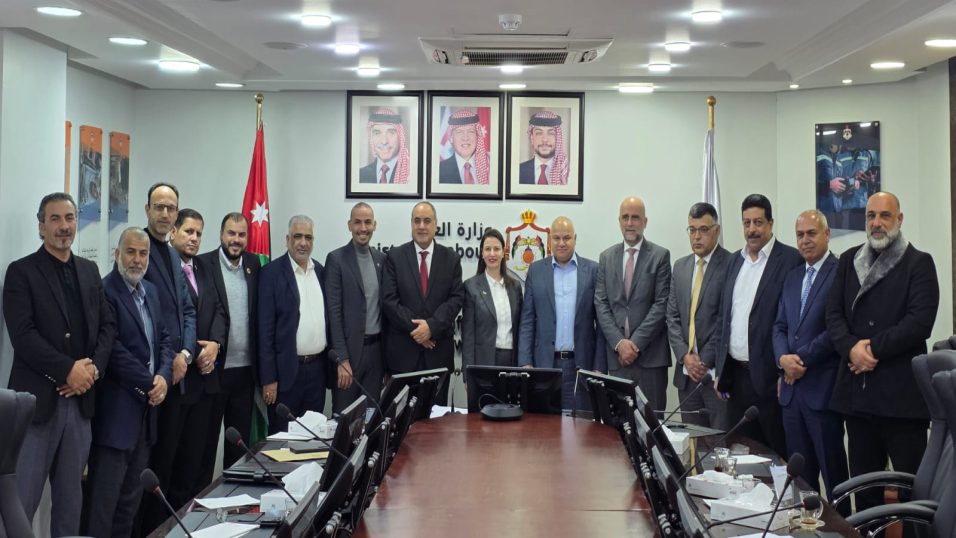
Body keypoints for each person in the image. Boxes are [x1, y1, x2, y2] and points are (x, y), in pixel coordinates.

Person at [3, 192, 115, 537]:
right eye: (55, 219)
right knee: (20, 504)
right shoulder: (21, 272)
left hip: (80, 405)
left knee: (70, 505)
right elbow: (23, 336)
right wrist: (68, 370)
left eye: (69, 218)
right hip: (38, 406)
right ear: (41, 226)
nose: (64, 226)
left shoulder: (89, 270)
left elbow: (108, 327)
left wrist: (92, 370)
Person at [826, 192, 939, 511]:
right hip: (858, 399)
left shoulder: (919, 263)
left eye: (885, 216)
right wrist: (851, 349)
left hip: (902, 401)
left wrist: (871, 349)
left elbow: (919, 322)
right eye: (871, 216)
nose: (877, 223)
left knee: (913, 497)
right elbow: (832, 315)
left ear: (899, 219)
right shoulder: (848, 260)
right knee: (865, 495)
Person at [86, 227, 174, 538]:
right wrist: (151, 382)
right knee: (102, 507)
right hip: (116, 417)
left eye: (143, 253)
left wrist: (164, 376)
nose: (137, 260)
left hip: (145, 417)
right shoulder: (106, 290)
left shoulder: (151, 291)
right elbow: (113, 350)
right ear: (117, 254)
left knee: (128, 506)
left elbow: (165, 339)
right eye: (131, 252)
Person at [705, 194, 802, 456]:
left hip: (771, 380)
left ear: (771, 223)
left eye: (758, 222)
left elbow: (793, 322)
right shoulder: (734, 261)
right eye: (746, 223)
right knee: (741, 455)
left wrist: (783, 373)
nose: (752, 229)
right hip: (736, 379)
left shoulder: (790, 260)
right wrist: (720, 369)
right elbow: (724, 318)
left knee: (777, 456)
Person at [772, 210, 848, 502]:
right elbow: (779, 326)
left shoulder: (840, 272)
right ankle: (806, 526)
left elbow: (836, 329)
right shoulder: (792, 277)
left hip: (822, 392)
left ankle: (842, 526)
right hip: (791, 396)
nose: (805, 240)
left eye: (811, 233)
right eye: (800, 235)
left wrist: (798, 360)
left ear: (827, 235)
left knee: (834, 477)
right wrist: (782, 359)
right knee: (801, 482)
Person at [157, 208, 226, 508]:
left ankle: (193, 520)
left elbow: (220, 309)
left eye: (199, 233)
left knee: (197, 464)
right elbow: (167, 321)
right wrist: (197, 352)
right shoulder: (164, 268)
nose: (194, 238)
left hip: (206, 381)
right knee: (170, 463)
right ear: (173, 232)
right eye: (188, 231)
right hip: (178, 381)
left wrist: (216, 346)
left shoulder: (204, 268)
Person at [139, 183, 198, 532]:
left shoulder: (173, 255)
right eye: (159, 207)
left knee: (170, 464)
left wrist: (186, 353)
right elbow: (145, 316)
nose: (164, 214)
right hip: (152, 378)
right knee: (149, 470)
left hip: (177, 375)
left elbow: (187, 309)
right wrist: (170, 357)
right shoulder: (139, 249)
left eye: (170, 208)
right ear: (147, 209)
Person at [518, 217, 606, 410]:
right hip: (544, 366)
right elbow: (527, 321)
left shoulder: (593, 271)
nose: (561, 243)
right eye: (556, 238)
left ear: (575, 238)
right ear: (550, 240)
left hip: (581, 367)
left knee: (580, 425)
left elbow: (601, 324)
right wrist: (525, 363)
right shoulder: (536, 271)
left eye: (566, 238)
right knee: (543, 426)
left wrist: (599, 367)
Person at [382, 202, 464, 404]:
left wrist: (431, 327)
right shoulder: (394, 257)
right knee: (401, 419)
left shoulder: (451, 259)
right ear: (411, 224)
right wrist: (419, 330)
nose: (421, 226)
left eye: (427, 221)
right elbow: (389, 301)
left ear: (436, 225)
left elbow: (455, 299)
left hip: (438, 356)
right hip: (402, 358)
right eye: (417, 221)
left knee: (435, 420)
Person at [595, 197, 672, 411]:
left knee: (652, 422)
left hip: (651, 360)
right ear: (619, 221)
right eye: (625, 217)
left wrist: (635, 344)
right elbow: (601, 304)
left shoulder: (660, 256)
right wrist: (620, 344)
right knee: (619, 423)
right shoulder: (606, 257)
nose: (630, 223)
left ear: (645, 222)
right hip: (617, 359)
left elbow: (661, 304)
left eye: (635, 218)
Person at [198, 212, 261, 468]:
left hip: (245, 373)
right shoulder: (203, 264)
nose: (236, 239)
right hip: (214, 371)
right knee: (204, 445)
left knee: (239, 447)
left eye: (241, 234)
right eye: (231, 233)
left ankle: (234, 491)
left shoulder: (254, 264)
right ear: (221, 235)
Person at [259, 215, 329, 433]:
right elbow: (264, 331)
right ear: (287, 239)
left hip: (317, 372)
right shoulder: (271, 274)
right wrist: (269, 378)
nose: (303, 243)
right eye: (297, 236)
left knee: (313, 438)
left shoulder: (320, 271)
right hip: (285, 374)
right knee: (283, 440)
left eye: (308, 237)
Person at [665, 202, 730, 429]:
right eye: (692, 230)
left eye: (703, 229)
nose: (697, 236)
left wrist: (703, 362)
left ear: (716, 230)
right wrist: (684, 356)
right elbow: (672, 317)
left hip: (715, 376)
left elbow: (726, 320)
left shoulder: (731, 264)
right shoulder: (680, 266)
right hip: (686, 376)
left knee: (719, 441)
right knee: (691, 442)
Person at [325, 203, 386, 412]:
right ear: (349, 225)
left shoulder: (381, 259)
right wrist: (342, 359)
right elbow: (333, 314)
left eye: (368, 222)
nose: (363, 228)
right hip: (349, 356)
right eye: (358, 222)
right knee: (345, 420)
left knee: (371, 418)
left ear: (375, 225)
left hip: (376, 355)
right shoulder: (336, 260)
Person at [461, 228, 523, 370]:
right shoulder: (471, 287)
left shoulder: (515, 287)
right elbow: (468, 335)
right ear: (482, 253)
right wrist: (468, 371)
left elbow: (521, 328)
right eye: (488, 249)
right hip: (483, 363)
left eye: (496, 249)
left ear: (503, 252)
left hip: (512, 361)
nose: (492, 254)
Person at [359, 107, 410, 184]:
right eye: (377, 133)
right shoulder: (360, 175)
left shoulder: (410, 174)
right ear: (371, 137)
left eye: (391, 133)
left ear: (400, 137)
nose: (384, 141)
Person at [438, 109, 490, 185]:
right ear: (451, 138)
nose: (465, 138)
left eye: (471, 131)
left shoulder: (490, 166)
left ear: (477, 136)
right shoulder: (439, 170)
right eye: (459, 132)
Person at [518, 111, 569, 185]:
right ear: (532, 138)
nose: (545, 139)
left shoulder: (567, 172)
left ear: (558, 138)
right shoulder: (518, 171)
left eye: (551, 133)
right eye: (539, 133)